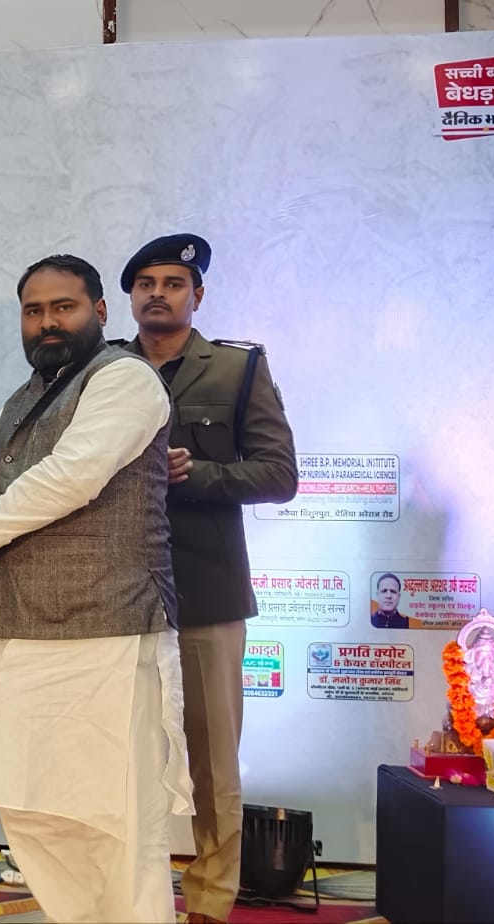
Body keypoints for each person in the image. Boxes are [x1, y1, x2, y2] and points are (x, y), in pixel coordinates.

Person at [0, 253, 191, 924]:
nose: (47, 322)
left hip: (108, 633)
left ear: (99, 311)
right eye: (33, 311)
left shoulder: (125, 379)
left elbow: (70, 476)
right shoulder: (23, 399)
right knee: (31, 808)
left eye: (62, 307)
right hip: (22, 631)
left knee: (114, 822)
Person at [114, 233, 298, 924]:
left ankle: (210, 902)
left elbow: (280, 475)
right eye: (146, 284)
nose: (157, 294)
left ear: (198, 294)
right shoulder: (104, 368)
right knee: (118, 755)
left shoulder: (237, 369)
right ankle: (127, 893)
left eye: (172, 283)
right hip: (114, 592)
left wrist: (200, 475)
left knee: (213, 762)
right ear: (130, 297)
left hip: (207, 590)